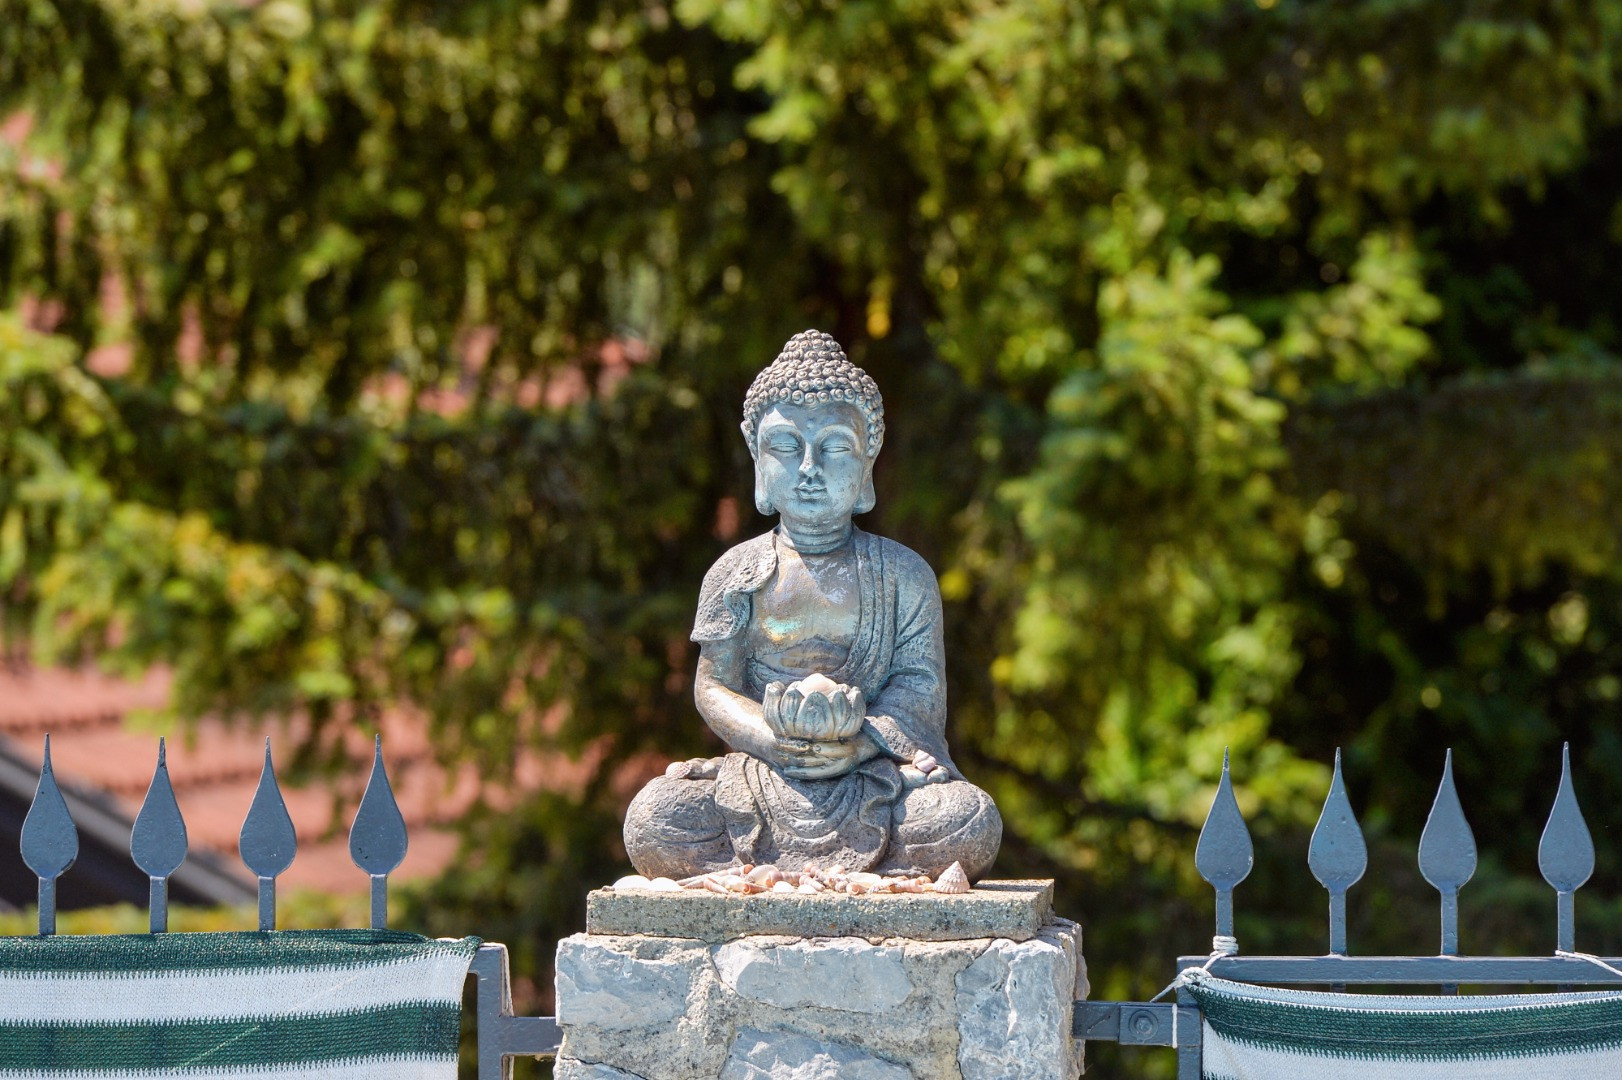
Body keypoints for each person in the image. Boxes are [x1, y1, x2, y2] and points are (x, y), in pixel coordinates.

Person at [622, 330, 1001, 879]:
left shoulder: (904, 574)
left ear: (867, 463)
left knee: (967, 820)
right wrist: (769, 739)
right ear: (757, 458)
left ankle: (807, 860)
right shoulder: (735, 573)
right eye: (785, 445)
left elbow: (918, 688)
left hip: (870, 776)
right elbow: (713, 686)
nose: (808, 468)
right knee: (653, 819)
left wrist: (860, 745)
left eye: (834, 447)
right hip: (760, 777)